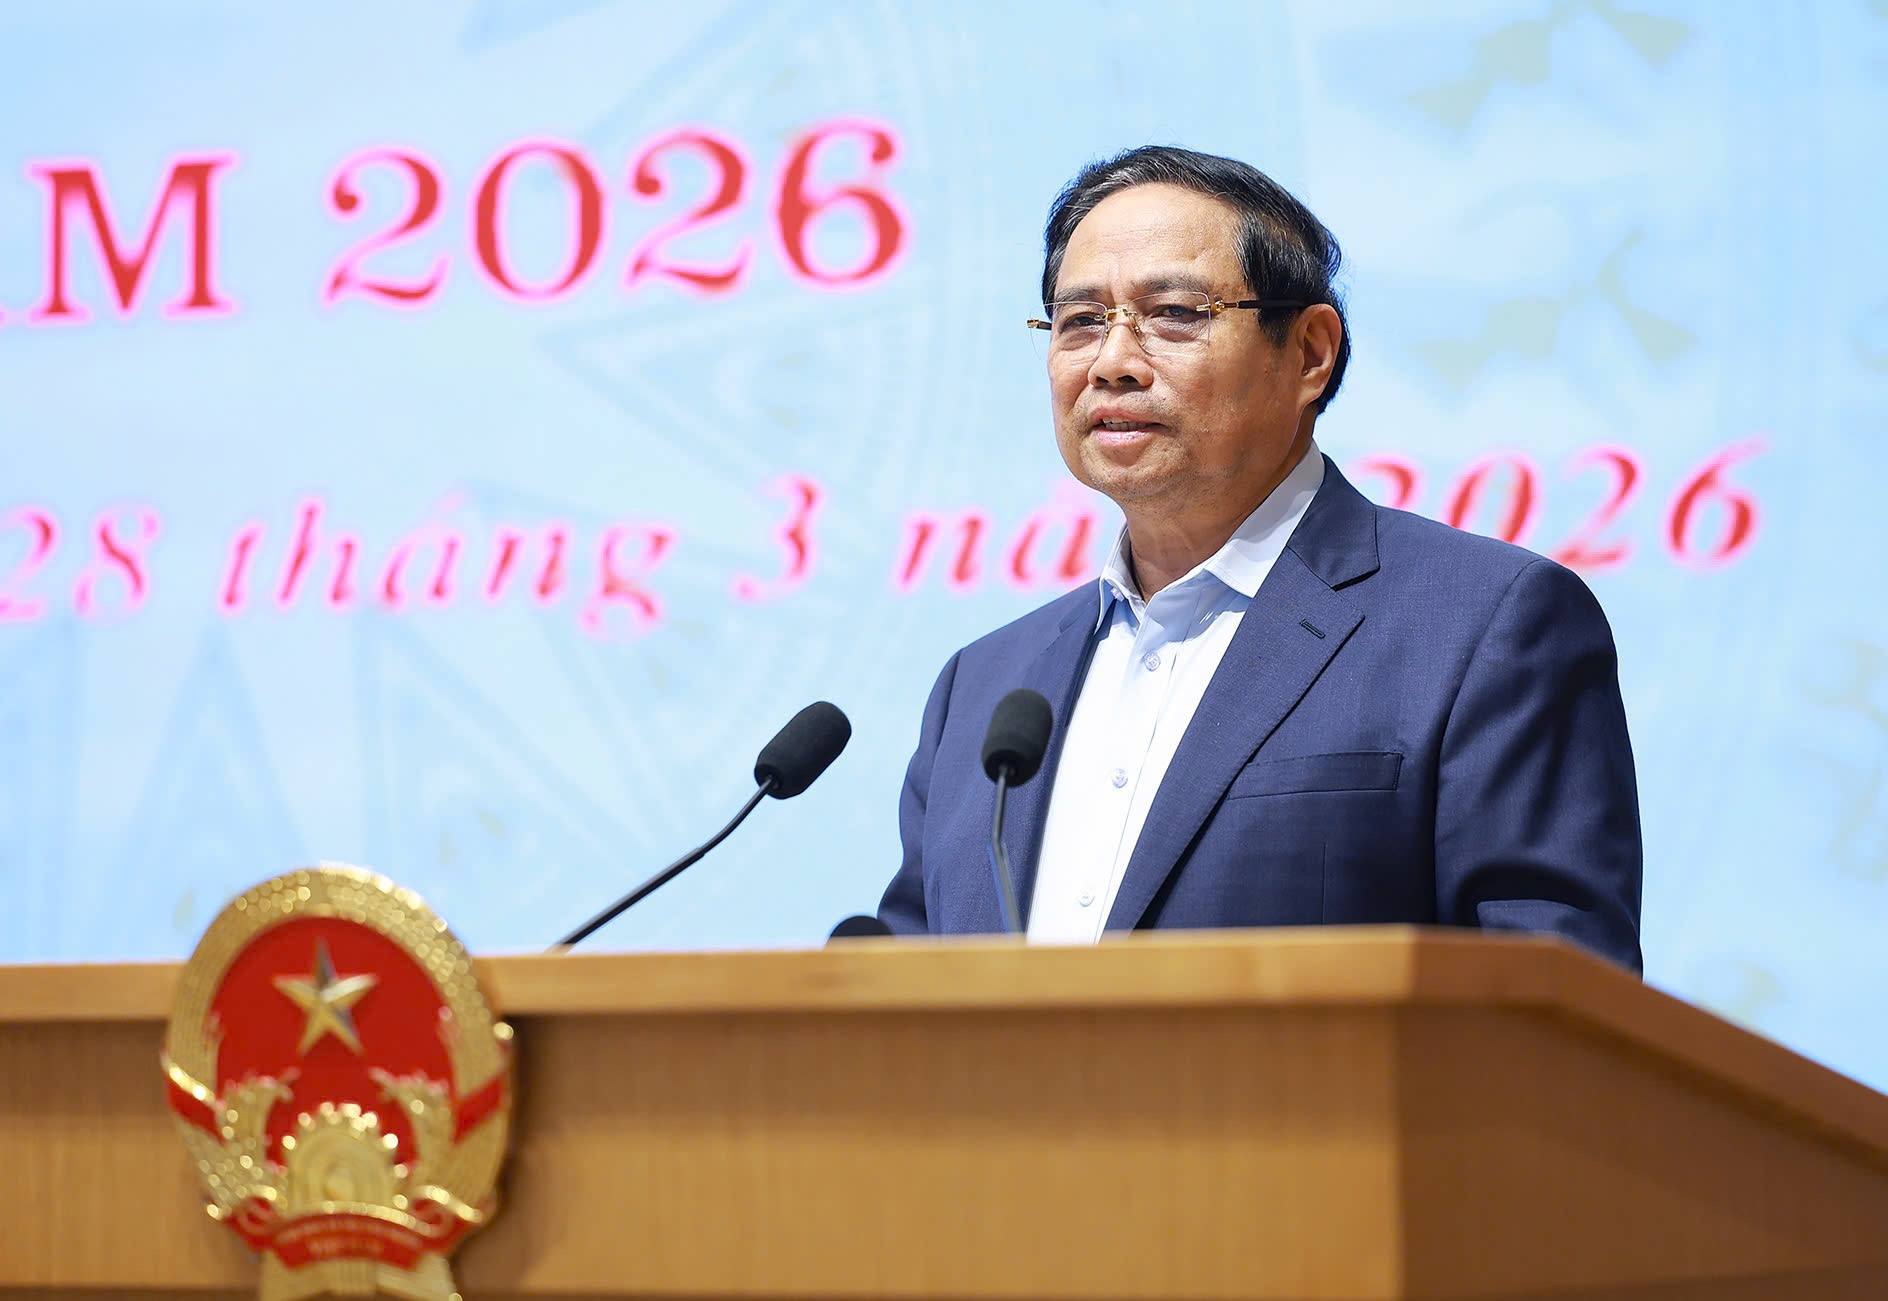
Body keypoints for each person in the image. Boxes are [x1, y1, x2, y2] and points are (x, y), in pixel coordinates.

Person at [875, 145, 1643, 971]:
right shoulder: (986, 691)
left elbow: (1551, 1016)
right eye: (1081, 321)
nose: (1112, 362)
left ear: (1309, 353)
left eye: (1174, 313)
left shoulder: (1485, 627)